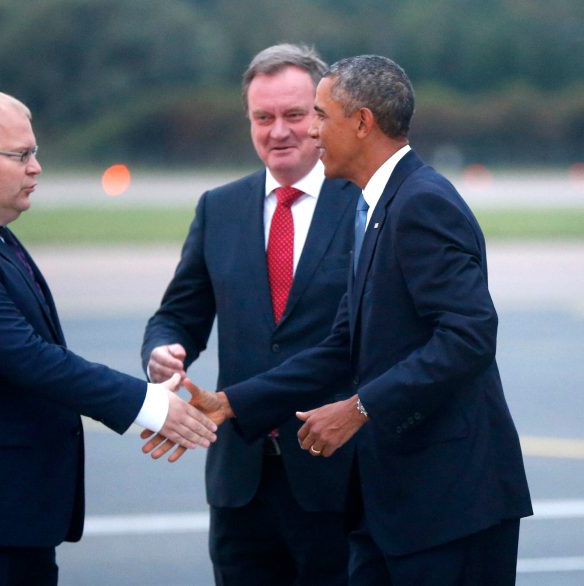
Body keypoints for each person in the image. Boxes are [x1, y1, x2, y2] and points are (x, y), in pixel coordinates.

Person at [148, 55, 533, 585]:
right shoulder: (377, 207)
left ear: (362, 122)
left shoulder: (420, 203)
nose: (309, 130)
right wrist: (232, 403)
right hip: (392, 504)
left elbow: (468, 337)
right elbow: (342, 343)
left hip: (449, 503)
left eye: (319, 115)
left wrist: (358, 408)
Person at [0, 87, 217, 586]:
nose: (36, 166)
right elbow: (29, 358)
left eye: (34, 152)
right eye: (21, 155)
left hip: (3, 517)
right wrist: (149, 405)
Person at [141, 44, 359, 585]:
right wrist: (163, 351)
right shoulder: (220, 207)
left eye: (294, 115)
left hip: (340, 478)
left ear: (323, 116)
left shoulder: (363, 204)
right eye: (263, 117)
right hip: (241, 482)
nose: (277, 131)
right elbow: (178, 313)